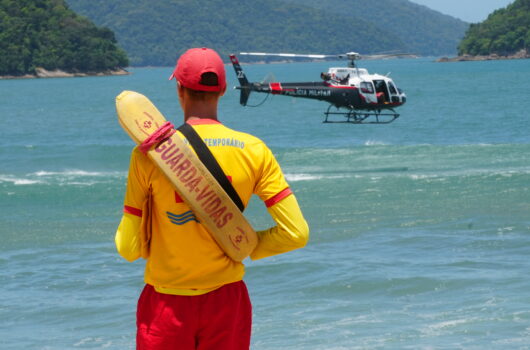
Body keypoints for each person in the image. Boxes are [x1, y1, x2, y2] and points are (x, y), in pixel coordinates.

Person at [115, 47, 309, 350]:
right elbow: (296, 234)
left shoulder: (149, 156)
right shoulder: (254, 150)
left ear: (179, 89)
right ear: (221, 91)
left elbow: (128, 248)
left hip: (166, 304)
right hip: (227, 302)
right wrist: (244, 242)